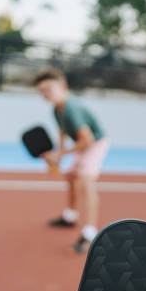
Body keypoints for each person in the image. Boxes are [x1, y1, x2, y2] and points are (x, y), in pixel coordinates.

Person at [33, 67, 109, 253]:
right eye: (41, 91)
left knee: (85, 179)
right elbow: (62, 132)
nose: (45, 94)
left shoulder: (72, 109)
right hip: (82, 144)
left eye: (49, 89)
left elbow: (87, 140)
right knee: (70, 176)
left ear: (63, 86)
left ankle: (90, 233)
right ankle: (70, 216)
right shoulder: (56, 109)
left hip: (96, 143)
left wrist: (62, 154)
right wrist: (58, 153)